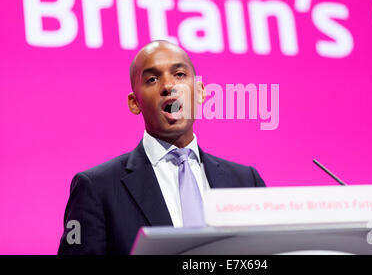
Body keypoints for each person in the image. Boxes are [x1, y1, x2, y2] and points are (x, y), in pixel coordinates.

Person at [57, 40, 266, 255]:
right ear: (134, 102)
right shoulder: (96, 188)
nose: (168, 86)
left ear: (200, 91)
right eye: (152, 79)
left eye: (179, 75)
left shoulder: (247, 182)